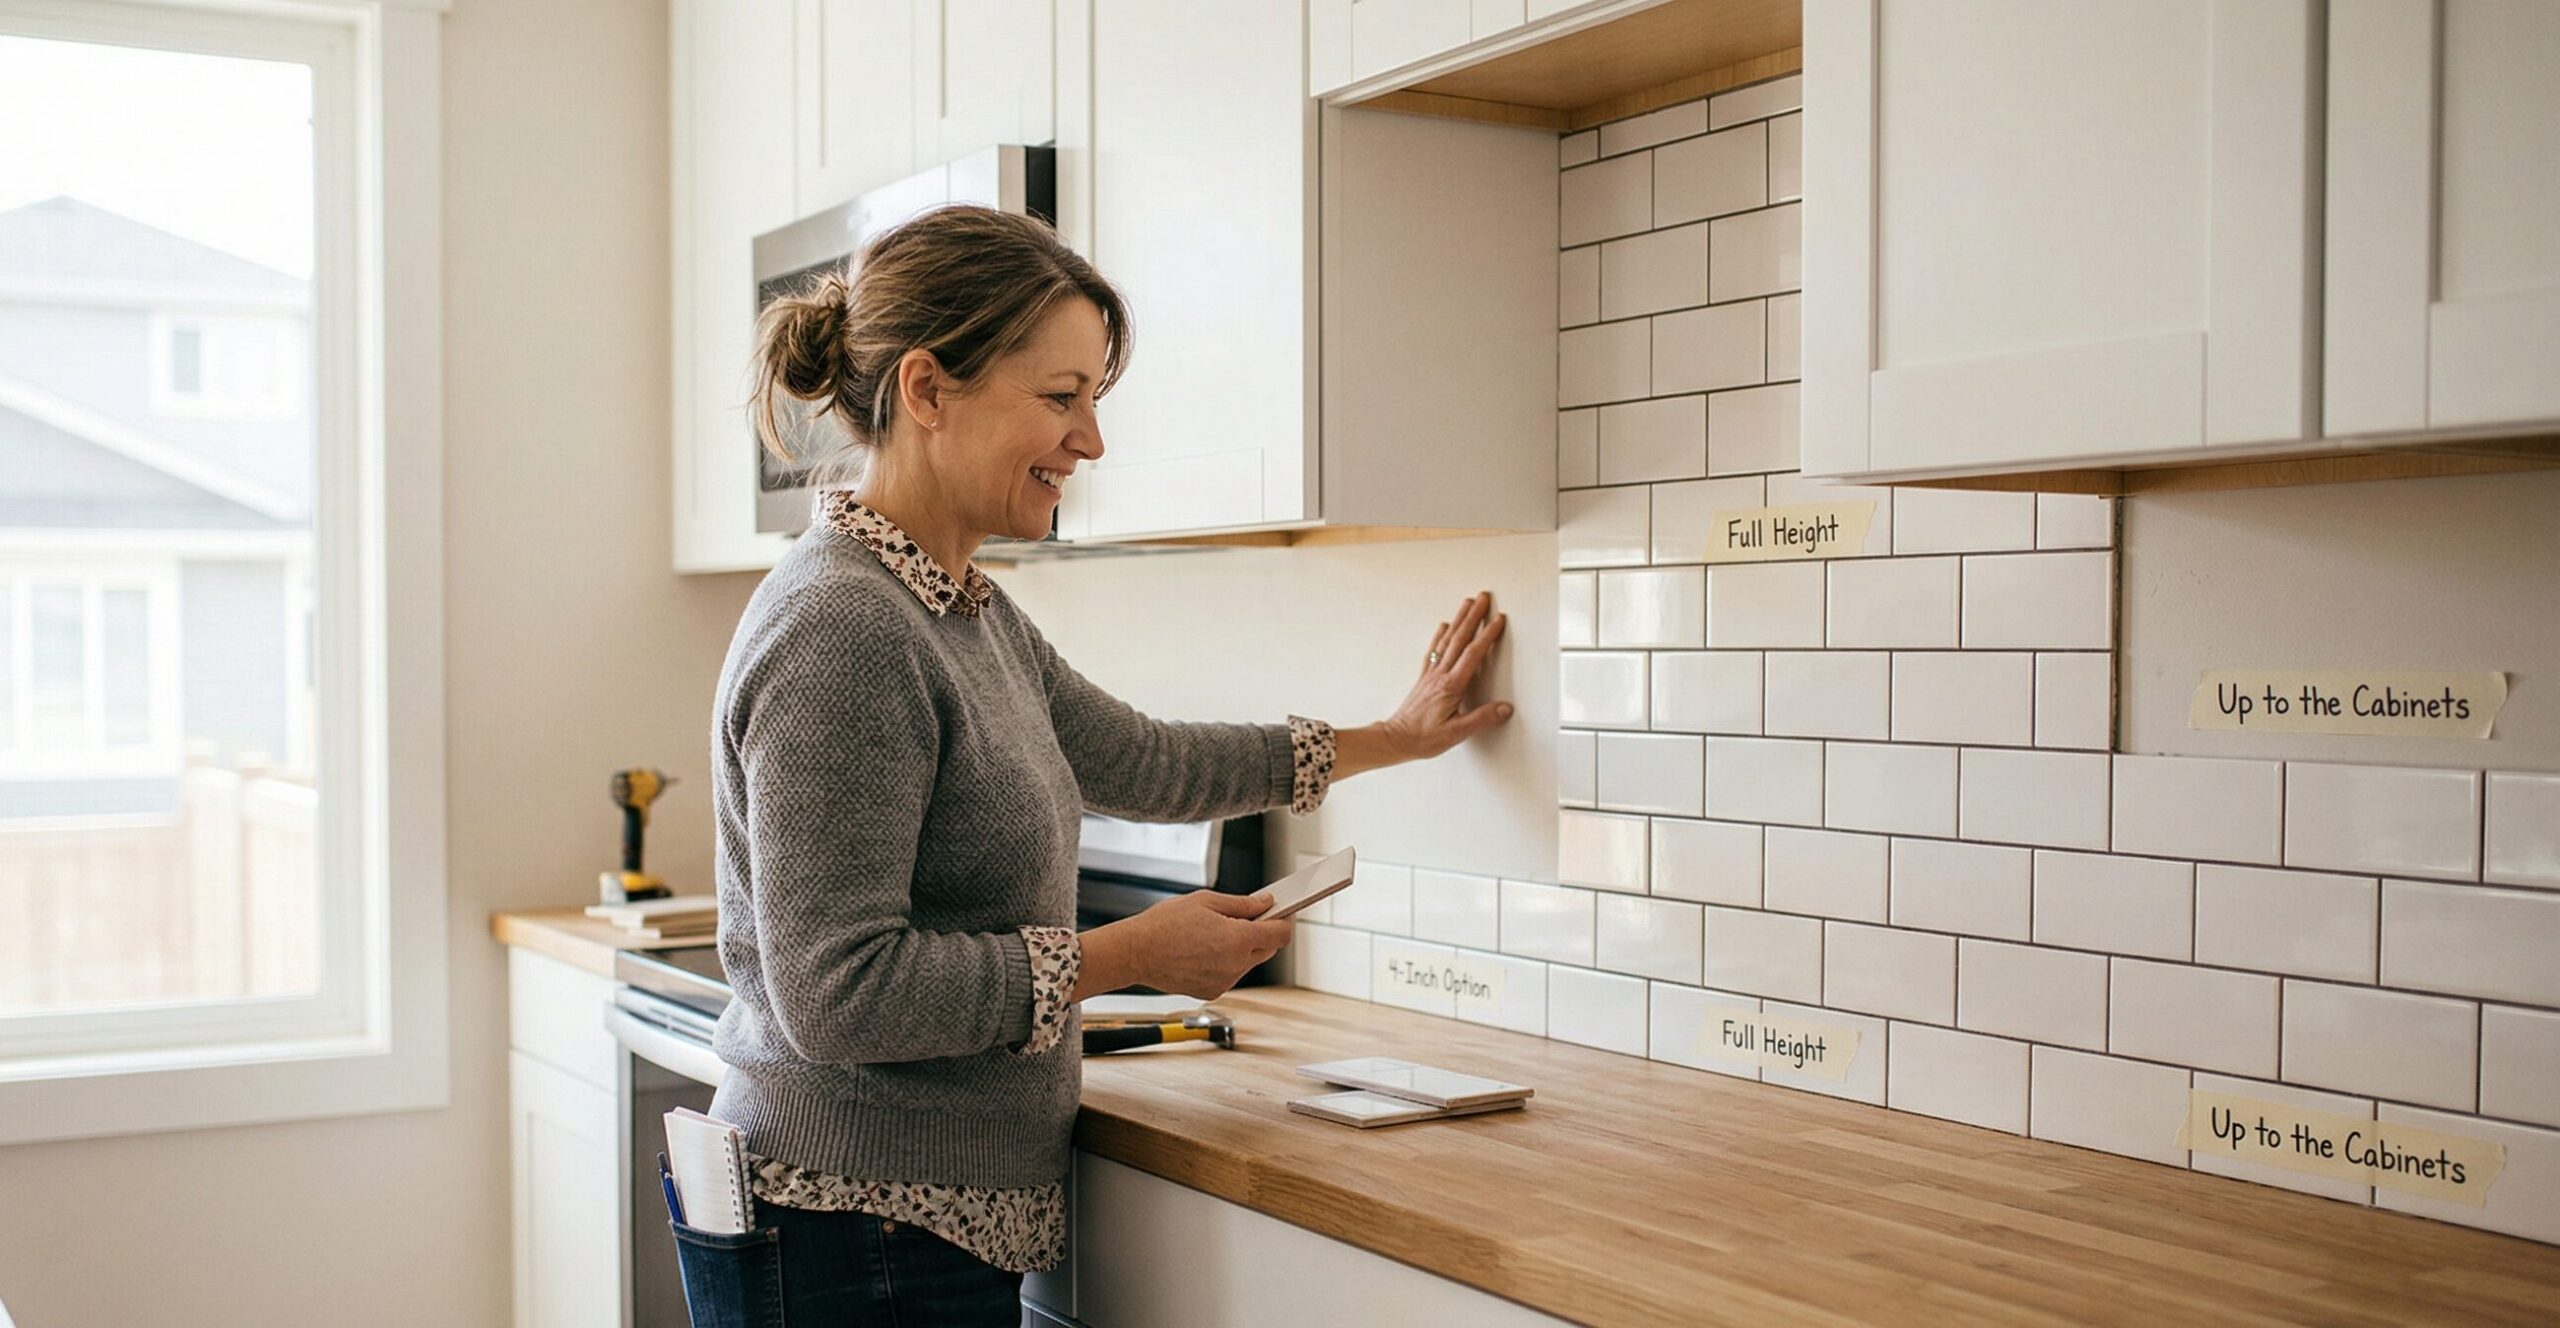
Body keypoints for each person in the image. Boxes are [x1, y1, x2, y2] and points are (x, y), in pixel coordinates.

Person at [678, 203, 1512, 1326]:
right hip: (857, 1236)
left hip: (906, 1227)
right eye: (1060, 398)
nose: (1091, 440)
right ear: (927, 391)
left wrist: (1390, 736)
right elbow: (841, 993)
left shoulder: (958, 607)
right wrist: (1128, 953)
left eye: (1094, 401)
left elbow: (1143, 758)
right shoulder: (845, 626)